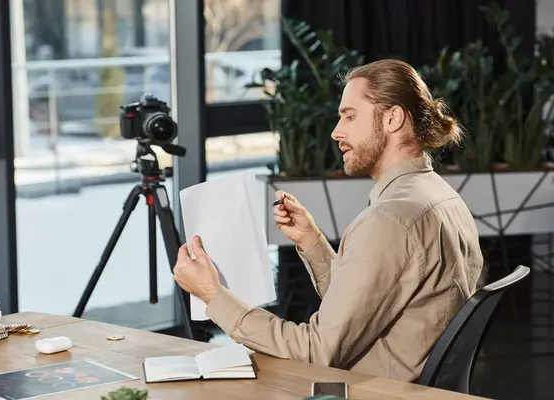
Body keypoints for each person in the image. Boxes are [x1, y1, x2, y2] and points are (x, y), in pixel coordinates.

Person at [172, 59, 484, 382]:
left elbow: (316, 351)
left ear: (393, 118)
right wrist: (312, 242)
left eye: (350, 116)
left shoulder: (389, 220)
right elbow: (365, 305)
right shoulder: (443, 198)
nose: (337, 132)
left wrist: (213, 295)